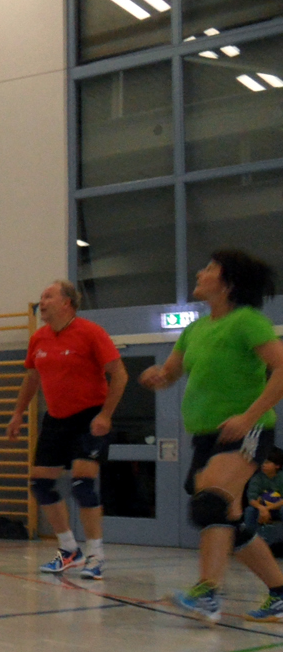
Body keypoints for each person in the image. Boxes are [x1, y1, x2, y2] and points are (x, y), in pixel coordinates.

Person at [139, 250, 283, 623]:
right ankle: (280, 593)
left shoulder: (247, 322)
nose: (200, 273)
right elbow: (171, 373)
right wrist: (157, 377)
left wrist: (248, 416)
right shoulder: (195, 329)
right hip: (206, 437)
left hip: (247, 429)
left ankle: (207, 593)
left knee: (211, 505)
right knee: (228, 521)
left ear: (228, 282)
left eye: (209, 269)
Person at [6, 280, 127, 580]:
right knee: (40, 485)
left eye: (48, 296)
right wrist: (18, 413)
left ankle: (96, 554)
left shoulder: (91, 332)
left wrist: (106, 415)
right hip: (56, 419)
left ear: (67, 303)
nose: (42, 302)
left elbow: (120, 375)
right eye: (41, 296)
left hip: (90, 417)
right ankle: (69, 549)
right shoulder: (39, 338)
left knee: (82, 485)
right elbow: (32, 378)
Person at [244, 447, 283, 554]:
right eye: (263, 462)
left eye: (267, 463)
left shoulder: (281, 478)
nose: (263, 465)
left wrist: (267, 508)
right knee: (250, 511)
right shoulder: (257, 478)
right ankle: (249, 544)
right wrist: (261, 508)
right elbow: (252, 499)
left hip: (277, 508)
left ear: (277, 465)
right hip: (261, 509)